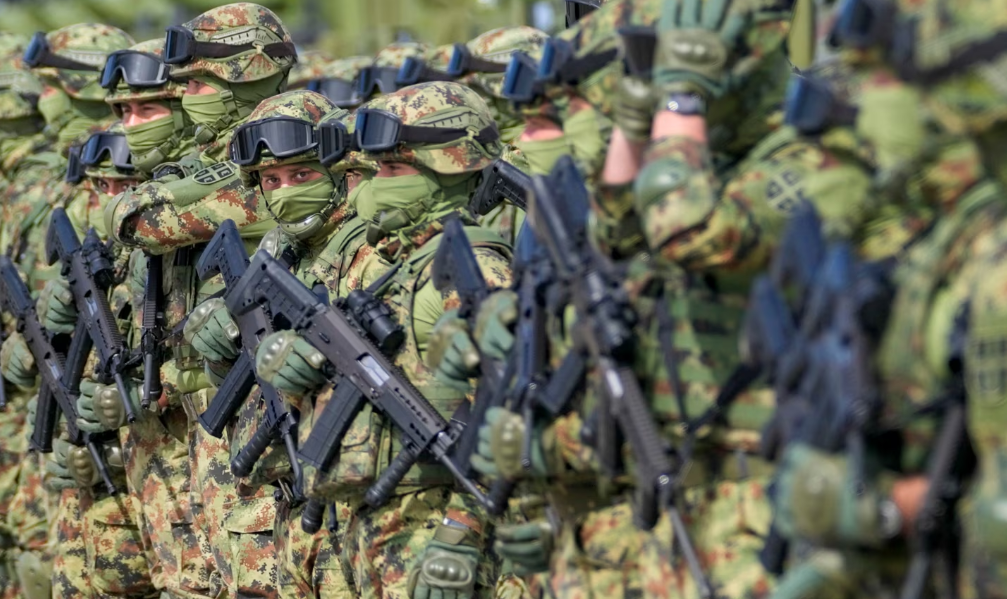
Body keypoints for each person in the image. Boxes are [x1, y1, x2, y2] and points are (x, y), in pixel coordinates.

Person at [250, 81, 513, 599]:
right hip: (373, 524)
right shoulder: (400, 267)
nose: (375, 186)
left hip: (431, 529)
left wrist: (459, 535)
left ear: (448, 168)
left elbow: (511, 418)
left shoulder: (471, 273)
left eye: (393, 170)